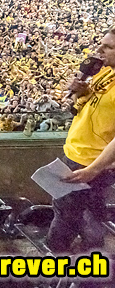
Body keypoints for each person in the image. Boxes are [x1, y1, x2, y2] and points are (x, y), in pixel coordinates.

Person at [51, 30, 115, 252]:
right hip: (75, 154)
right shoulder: (104, 72)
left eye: (108, 47)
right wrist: (80, 92)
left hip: (94, 164)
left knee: (72, 214)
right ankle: (89, 251)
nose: (99, 50)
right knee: (75, 211)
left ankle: (57, 253)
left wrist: (94, 169)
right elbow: (81, 107)